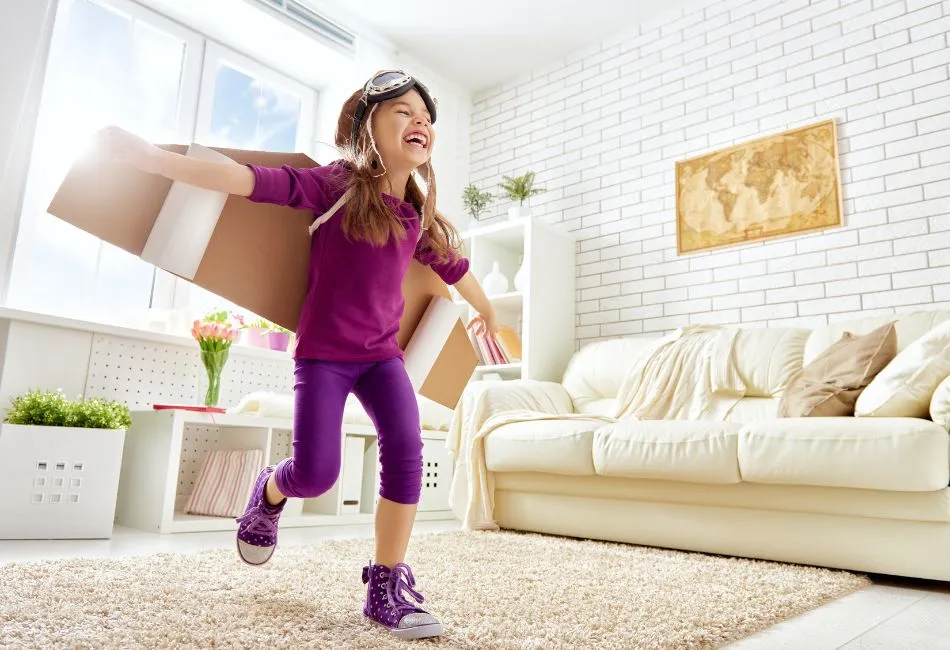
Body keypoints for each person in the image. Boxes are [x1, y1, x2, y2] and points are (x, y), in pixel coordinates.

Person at [98, 69, 498, 640]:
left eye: (426, 118)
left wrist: (488, 310)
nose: (420, 123)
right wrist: (152, 159)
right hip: (325, 356)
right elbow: (246, 180)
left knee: (407, 451)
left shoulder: (417, 219)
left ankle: (385, 583)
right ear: (368, 128)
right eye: (404, 112)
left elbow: (456, 269)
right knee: (316, 473)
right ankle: (270, 489)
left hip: (382, 358)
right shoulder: (336, 187)